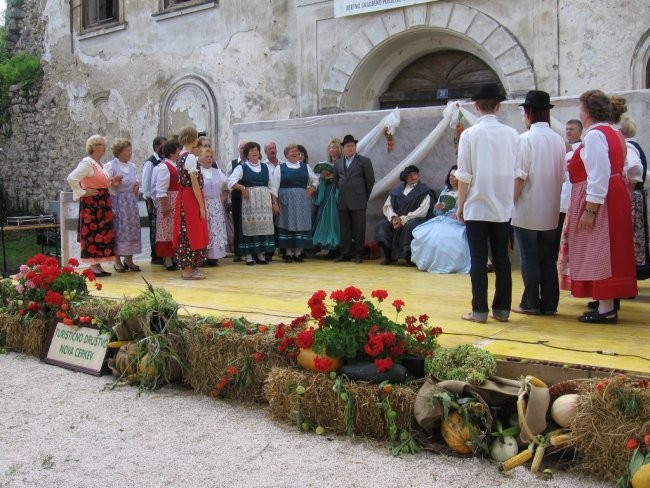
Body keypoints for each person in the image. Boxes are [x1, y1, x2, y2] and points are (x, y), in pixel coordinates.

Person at [567, 89, 637, 324]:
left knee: (600, 249)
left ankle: (606, 309)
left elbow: (598, 173)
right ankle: (606, 304)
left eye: (581, 108)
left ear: (587, 111)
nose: (580, 112)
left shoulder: (596, 135)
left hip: (603, 197)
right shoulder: (614, 132)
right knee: (610, 250)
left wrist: (590, 209)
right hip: (615, 194)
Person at [455, 83, 520, 324]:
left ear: (476, 106)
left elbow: (464, 175)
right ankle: (502, 310)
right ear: (499, 106)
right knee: (502, 258)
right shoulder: (513, 135)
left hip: (477, 206)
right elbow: (517, 173)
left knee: (478, 260)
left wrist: (460, 206)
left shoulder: (470, 135)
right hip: (503, 208)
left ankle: (479, 310)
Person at [511, 90, 566, 315]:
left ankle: (530, 302)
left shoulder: (525, 139)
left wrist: (509, 203)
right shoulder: (559, 140)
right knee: (547, 258)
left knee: (529, 256)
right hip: (551, 207)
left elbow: (520, 176)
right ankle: (550, 304)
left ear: (529, 112)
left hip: (527, 208)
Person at [66, 134, 116, 277]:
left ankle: (98, 264)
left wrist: (112, 183)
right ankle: (93, 265)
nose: (104, 147)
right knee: (93, 233)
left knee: (103, 233)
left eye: (104, 144)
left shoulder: (101, 165)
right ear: (93, 147)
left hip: (102, 203)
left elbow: (103, 183)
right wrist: (82, 192)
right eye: (101, 144)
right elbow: (71, 178)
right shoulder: (87, 164)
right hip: (92, 204)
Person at [411, 165, 471, 274]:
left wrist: (461, 216)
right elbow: (437, 213)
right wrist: (438, 208)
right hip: (442, 219)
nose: (451, 178)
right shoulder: (445, 192)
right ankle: (430, 262)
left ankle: (449, 264)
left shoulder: (465, 192)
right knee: (431, 235)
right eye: (450, 176)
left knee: (449, 238)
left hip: (458, 222)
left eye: (454, 176)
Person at [227, 141, 277, 265]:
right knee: (250, 227)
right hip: (250, 202)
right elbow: (230, 181)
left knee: (263, 228)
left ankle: (261, 255)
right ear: (246, 154)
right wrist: (242, 188)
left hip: (264, 203)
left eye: (256, 150)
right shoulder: (242, 167)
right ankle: (249, 256)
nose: (254, 152)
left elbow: (272, 186)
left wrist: (274, 202)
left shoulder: (266, 167)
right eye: (251, 150)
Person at [375, 165, 435, 266]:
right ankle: (389, 256)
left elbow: (422, 211)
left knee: (409, 226)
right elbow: (387, 206)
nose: (412, 176)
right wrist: (393, 218)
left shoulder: (424, 191)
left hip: (417, 220)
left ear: (418, 175)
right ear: (405, 177)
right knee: (382, 225)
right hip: (396, 220)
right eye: (410, 175)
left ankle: (409, 257)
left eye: (415, 174)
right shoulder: (396, 191)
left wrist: (403, 220)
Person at [271, 144, 319, 262]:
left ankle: (298, 252)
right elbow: (273, 187)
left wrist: (312, 189)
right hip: (286, 201)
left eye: (296, 151)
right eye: (291, 151)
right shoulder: (280, 168)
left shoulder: (305, 167)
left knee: (300, 224)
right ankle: (287, 253)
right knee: (287, 224)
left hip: (302, 201)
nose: (294, 153)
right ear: (286, 154)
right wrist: (275, 203)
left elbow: (316, 179)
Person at [172, 126, 209, 280]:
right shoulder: (190, 157)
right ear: (193, 138)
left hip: (184, 196)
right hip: (191, 197)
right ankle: (187, 270)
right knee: (190, 231)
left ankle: (189, 268)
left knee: (186, 229)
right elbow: (194, 183)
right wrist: (201, 205)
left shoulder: (181, 155)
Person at [333, 134, 375, 263]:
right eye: (347, 146)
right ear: (343, 148)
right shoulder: (338, 163)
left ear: (355, 147)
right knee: (344, 229)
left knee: (359, 228)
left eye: (352, 145)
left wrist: (363, 197)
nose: (350, 148)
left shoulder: (364, 161)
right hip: (343, 201)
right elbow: (336, 182)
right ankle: (345, 253)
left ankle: (358, 254)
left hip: (359, 200)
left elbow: (370, 181)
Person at [104, 138, 142, 273]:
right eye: (127, 150)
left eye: (130, 150)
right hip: (118, 202)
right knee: (119, 230)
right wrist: (113, 184)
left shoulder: (132, 166)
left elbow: (135, 183)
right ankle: (117, 261)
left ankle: (129, 259)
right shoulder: (110, 165)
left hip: (130, 203)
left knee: (131, 230)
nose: (130, 153)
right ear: (119, 151)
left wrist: (137, 188)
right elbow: (105, 185)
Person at [620, 116, 649, 266]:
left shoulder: (628, 147)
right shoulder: (634, 145)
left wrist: (626, 185)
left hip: (632, 194)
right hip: (636, 194)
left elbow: (635, 168)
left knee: (630, 234)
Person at [153, 139, 182, 271]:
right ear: (172, 152)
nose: (180, 152)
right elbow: (161, 189)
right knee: (167, 229)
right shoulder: (164, 166)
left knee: (176, 229)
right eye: (178, 150)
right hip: (169, 200)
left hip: (178, 200)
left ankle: (175, 255)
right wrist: (164, 205)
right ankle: (168, 258)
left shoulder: (176, 164)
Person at [199, 146, 229, 266]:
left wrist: (222, 198)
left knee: (215, 230)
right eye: (207, 157)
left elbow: (228, 186)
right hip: (203, 204)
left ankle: (213, 257)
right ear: (200, 159)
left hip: (216, 205)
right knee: (205, 229)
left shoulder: (218, 172)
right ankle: (202, 255)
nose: (209, 159)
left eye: (211, 157)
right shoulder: (197, 172)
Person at [312, 138, 342, 253]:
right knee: (323, 218)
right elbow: (320, 180)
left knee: (335, 219)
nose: (332, 150)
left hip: (336, 194)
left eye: (334, 147)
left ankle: (336, 247)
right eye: (330, 148)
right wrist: (323, 177)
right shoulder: (326, 163)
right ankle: (326, 245)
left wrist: (332, 177)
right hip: (325, 194)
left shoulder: (343, 163)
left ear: (339, 149)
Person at [141, 136, 167, 265]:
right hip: (153, 201)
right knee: (154, 227)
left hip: (161, 201)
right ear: (156, 147)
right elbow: (146, 185)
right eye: (163, 146)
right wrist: (150, 202)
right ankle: (155, 254)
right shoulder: (150, 163)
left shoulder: (163, 161)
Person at [226, 140, 248, 262]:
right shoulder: (232, 163)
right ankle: (238, 252)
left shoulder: (253, 164)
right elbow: (228, 182)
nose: (243, 150)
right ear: (238, 149)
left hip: (249, 197)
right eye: (242, 148)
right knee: (237, 223)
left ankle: (249, 249)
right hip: (237, 198)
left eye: (246, 148)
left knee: (249, 224)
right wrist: (229, 200)